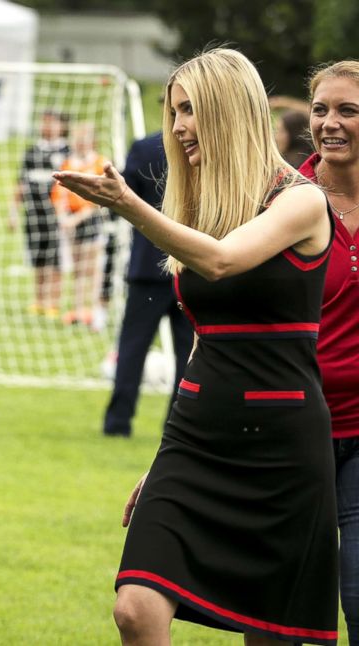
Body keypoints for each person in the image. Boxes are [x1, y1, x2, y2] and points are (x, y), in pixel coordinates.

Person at [54, 48, 337, 645]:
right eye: (173, 111)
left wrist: (129, 204)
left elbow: (220, 261)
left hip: (283, 446)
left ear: (230, 111)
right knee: (135, 606)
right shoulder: (205, 207)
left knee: (271, 632)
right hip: (197, 436)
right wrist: (162, 456)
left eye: (190, 111)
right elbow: (201, 341)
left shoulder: (302, 199)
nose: (178, 126)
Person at [299, 60, 359, 645]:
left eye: (348, 110)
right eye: (321, 109)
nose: (330, 123)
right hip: (296, 430)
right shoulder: (285, 200)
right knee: (292, 608)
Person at [102, 131, 194, 438]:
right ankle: (176, 424)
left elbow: (123, 199)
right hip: (190, 265)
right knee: (188, 353)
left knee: (133, 347)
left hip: (149, 266)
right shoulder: (204, 147)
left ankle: (118, 422)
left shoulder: (144, 147)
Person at [9, 109, 69, 317]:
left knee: (55, 257)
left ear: (61, 126)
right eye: (44, 122)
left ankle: (53, 301)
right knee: (38, 256)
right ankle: (39, 301)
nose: (47, 126)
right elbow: (21, 183)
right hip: (33, 213)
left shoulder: (67, 151)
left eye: (52, 122)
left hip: (57, 215)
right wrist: (13, 212)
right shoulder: (32, 151)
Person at [51, 121, 107, 328]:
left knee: (91, 268)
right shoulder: (68, 163)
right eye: (77, 139)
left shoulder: (100, 162)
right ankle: (77, 309)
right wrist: (63, 217)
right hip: (70, 221)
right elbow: (58, 192)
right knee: (76, 269)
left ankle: (92, 310)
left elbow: (99, 197)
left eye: (84, 139)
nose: (80, 143)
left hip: (90, 220)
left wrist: (77, 218)